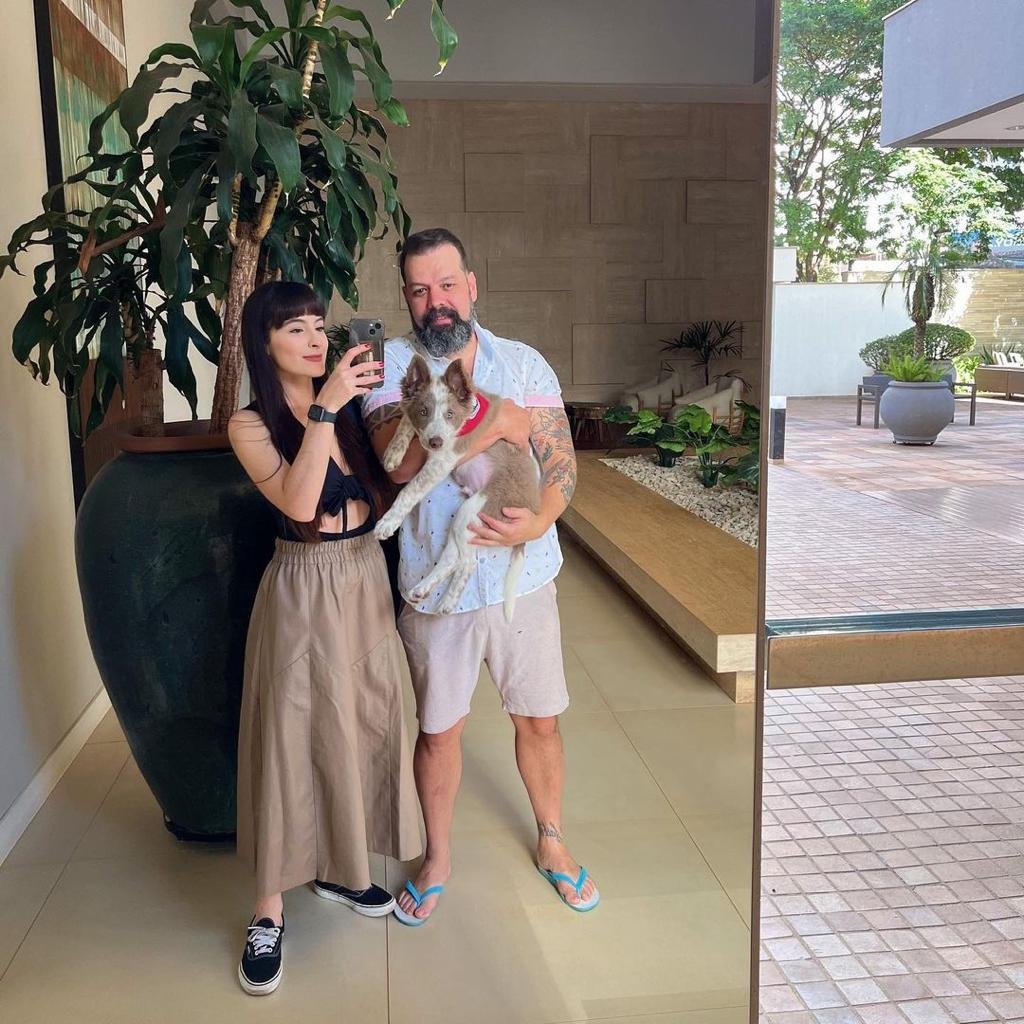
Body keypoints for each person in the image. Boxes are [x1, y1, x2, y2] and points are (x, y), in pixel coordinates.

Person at [363, 227, 599, 926]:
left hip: (524, 578)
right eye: (419, 290)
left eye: (446, 285)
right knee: (439, 731)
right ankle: (437, 858)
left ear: (471, 285)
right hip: (438, 588)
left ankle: (552, 838)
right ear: (406, 297)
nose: (434, 301)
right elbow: (398, 465)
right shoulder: (392, 366)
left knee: (540, 720)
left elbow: (560, 459)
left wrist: (539, 520)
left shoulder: (522, 363)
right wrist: (496, 426)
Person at [228, 281, 422, 995]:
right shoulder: (250, 425)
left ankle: (342, 870)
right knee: (291, 735)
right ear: (264, 344)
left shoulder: (353, 415)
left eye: (319, 326)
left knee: (363, 721)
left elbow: (393, 485)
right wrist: (323, 409)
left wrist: (430, 425)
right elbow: (301, 503)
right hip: (303, 587)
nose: (315, 340)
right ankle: (268, 912)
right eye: (295, 330)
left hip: (365, 576)